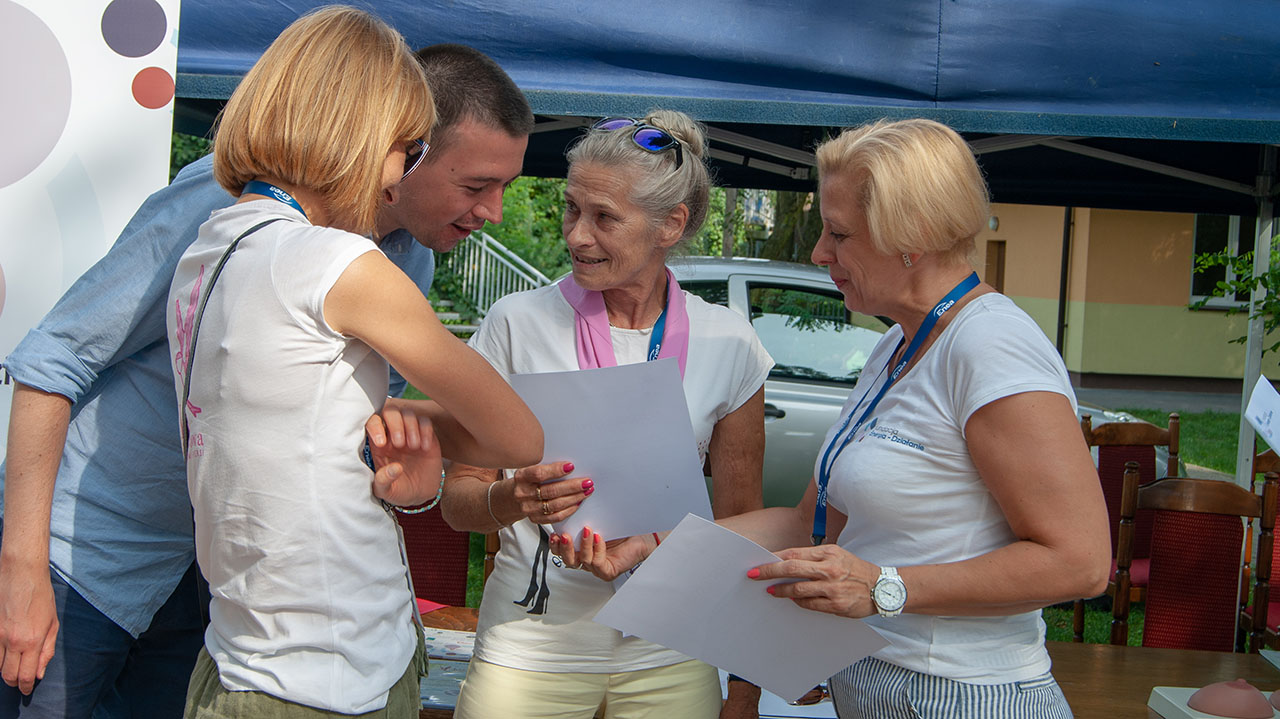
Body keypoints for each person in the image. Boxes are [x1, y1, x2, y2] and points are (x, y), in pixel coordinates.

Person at [0, 36, 533, 719]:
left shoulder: (409, 265)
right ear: (402, 142)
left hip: (218, 590)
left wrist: (414, 481)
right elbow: (56, 359)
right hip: (88, 557)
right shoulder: (223, 204)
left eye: (504, 189)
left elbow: (357, 440)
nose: (490, 210)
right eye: (475, 184)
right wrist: (21, 566)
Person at [555, 118, 1111, 719]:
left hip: (962, 692)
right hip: (875, 684)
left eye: (839, 234)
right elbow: (805, 524)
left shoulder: (992, 346)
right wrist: (654, 546)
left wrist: (885, 586)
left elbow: (1079, 563)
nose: (820, 252)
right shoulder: (898, 344)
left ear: (913, 235)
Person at [164, 6, 541, 717]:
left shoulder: (210, 248)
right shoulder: (338, 260)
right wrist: (398, 421)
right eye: (408, 149)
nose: (401, 179)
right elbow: (517, 435)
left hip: (244, 652)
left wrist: (382, 429)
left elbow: (292, 418)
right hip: (332, 672)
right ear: (359, 135)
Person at [436, 111, 773, 719]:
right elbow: (458, 501)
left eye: (604, 218)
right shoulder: (515, 324)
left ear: (671, 223)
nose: (576, 236)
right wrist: (514, 500)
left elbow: (741, 528)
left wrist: (745, 689)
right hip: (531, 645)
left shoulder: (730, 343)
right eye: (571, 209)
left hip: (670, 646)